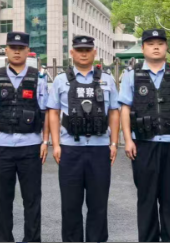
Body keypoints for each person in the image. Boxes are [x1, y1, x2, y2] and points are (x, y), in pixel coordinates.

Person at [119, 28, 170, 243]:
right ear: (143, 48)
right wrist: (128, 140)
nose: (156, 47)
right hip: (144, 144)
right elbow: (125, 108)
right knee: (147, 197)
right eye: (151, 44)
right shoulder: (132, 75)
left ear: (166, 47)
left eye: (160, 43)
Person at [47, 35, 121, 242]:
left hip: (99, 148)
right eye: (79, 50)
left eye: (87, 50)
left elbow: (114, 112)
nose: (83, 54)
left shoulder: (107, 80)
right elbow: (53, 112)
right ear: (72, 53)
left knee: (98, 204)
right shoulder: (61, 80)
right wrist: (55, 144)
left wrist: (114, 143)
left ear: (94, 52)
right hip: (70, 148)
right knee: (70, 204)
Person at [0, 31, 50, 242]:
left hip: (30, 147)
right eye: (13, 48)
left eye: (21, 48)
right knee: (2, 200)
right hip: (2, 146)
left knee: (32, 200)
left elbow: (45, 112)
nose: (16, 52)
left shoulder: (38, 78)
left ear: (27, 51)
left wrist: (45, 141)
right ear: (6, 50)